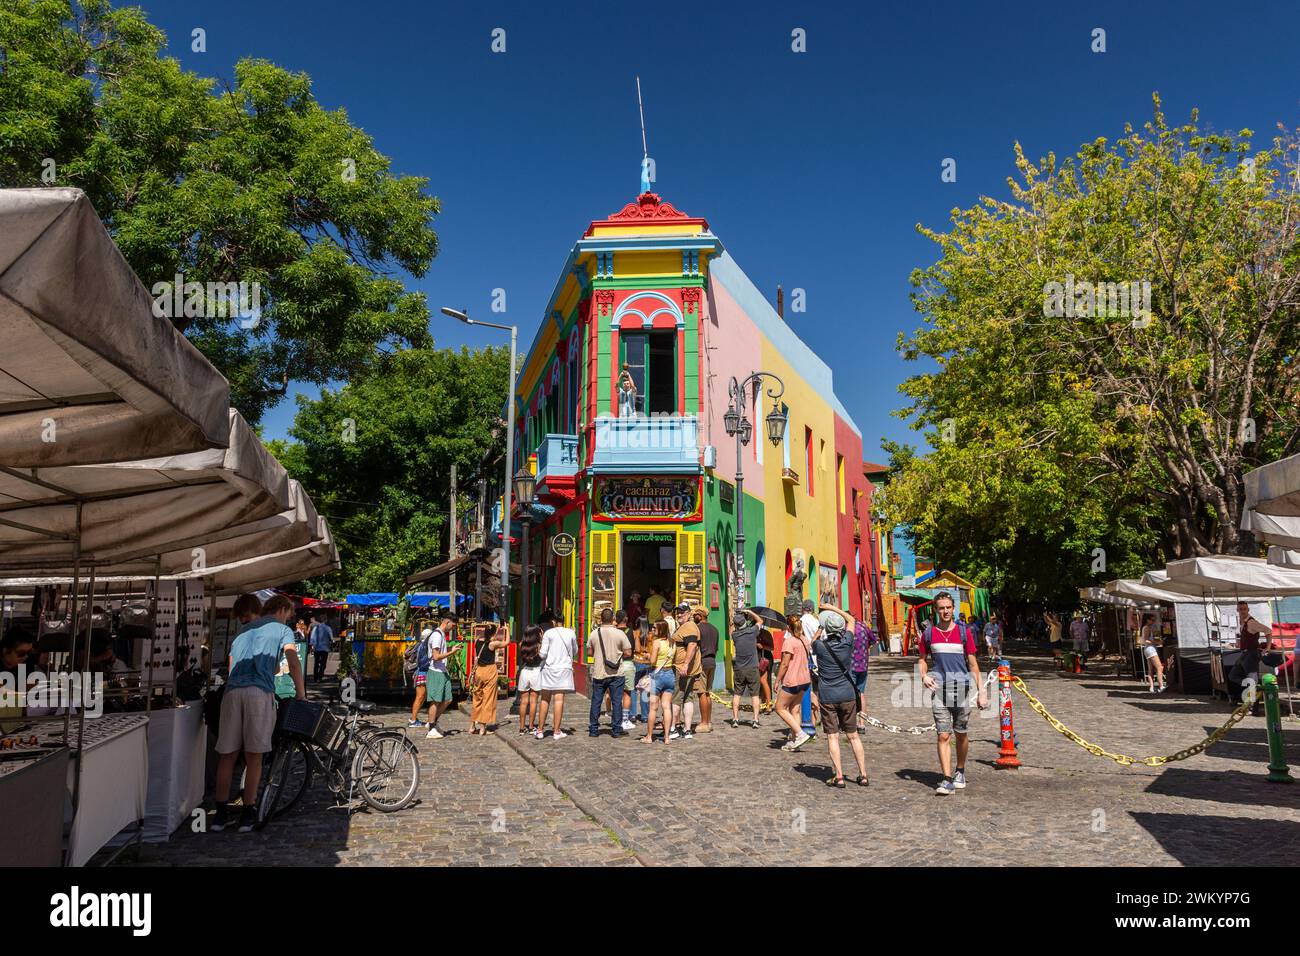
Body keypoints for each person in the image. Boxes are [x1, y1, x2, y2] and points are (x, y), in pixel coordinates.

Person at [212, 594, 304, 832]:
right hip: (258, 693)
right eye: (290, 614)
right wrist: (301, 694)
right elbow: (293, 662)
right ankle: (247, 813)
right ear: (283, 610)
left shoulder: (243, 630)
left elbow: (233, 665)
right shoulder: (282, 630)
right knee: (255, 757)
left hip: (232, 693)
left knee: (227, 756)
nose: (289, 619)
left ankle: (219, 815)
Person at [918, 592, 986, 796]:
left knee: (961, 734)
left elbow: (973, 664)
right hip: (939, 690)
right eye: (941, 608)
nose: (945, 611)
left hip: (962, 690)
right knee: (943, 734)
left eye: (948, 607)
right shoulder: (929, 634)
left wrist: (982, 692)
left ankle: (960, 771)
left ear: (953, 608)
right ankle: (947, 779)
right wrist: (923, 676)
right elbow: (922, 659)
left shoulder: (964, 633)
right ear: (936, 610)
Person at [811, 605, 869, 787]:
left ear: (827, 629)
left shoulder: (819, 646)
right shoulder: (847, 643)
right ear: (841, 629)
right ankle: (863, 774)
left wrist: (821, 625)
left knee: (832, 737)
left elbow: (813, 641)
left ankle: (840, 776)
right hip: (847, 694)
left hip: (828, 696)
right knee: (853, 736)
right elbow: (851, 620)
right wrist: (832, 608)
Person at [586, 608, 632, 737]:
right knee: (617, 702)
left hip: (599, 672)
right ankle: (616, 730)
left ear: (601, 619)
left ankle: (593, 729)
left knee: (596, 701)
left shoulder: (594, 633)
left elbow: (589, 652)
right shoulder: (620, 634)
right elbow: (628, 652)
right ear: (613, 619)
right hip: (617, 673)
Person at [774, 613, 814, 751]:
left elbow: (785, 664)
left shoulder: (789, 642)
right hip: (805, 680)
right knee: (794, 710)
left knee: (779, 707)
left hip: (793, 680)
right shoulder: (804, 640)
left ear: (788, 627)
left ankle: (800, 733)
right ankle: (794, 741)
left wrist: (777, 680)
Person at [537, 612, 578, 739]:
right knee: (559, 700)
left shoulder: (548, 633)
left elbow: (543, 655)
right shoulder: (570, 633)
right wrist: (574, 634)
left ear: (554, 622)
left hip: (549, 669)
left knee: (544, 699)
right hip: (563, 669)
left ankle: (539, 730)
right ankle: (556, 731)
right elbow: (575, 651)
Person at [640, 620, 676, 745]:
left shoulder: (657, 643)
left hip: (658, 675)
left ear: (660, 629)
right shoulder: (672, 642)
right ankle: (667, 737)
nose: (653, 629)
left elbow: (653, 660)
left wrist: (647, 656)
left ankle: (649, 737)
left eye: (655, 628)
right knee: (666, 707)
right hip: (670, 674)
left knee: (653, 708)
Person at [421, 616, 457, 738]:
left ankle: (433, 722)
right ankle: (431, 728)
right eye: (452, 625)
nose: (453, 628)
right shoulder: (436, 635)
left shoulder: (441, 634)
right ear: (447, 622)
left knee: (448, 699)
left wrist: (451, 649)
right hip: (436, 671)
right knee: (435, 700)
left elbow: (440, 653)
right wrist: (451, 653)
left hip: (443, 671)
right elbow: (436, 657)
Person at [1227, 602, 1272, 702]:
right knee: (1233, 675)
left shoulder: (1251, 622)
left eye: (1244, 609)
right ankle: (1255, 688)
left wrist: (1268, 647)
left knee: (1251, 678)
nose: (1242, 611)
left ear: (1248, 610)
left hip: (1252, 654)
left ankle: (1253, 704)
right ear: (1237, 610)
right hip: (1245, 653)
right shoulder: (1242, 622)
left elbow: (1268, 631)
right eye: (1240, 609)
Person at [669, 603, 702, 739]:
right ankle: (687, 730)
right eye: (677, 612)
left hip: (683, 669)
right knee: (688, 698)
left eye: (682, 612)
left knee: (677, 698)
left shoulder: (689, 626)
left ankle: (672, 729)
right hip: (686, 668)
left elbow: (692, 645)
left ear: (689, 613)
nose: (679, 615)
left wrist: (685, 664)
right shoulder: (685, 626)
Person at [727, 608, 764, 729]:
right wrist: (749, 612)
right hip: (752, 667)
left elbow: (731, 629)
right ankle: (755, 720)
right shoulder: (752, 631)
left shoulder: (735, 635)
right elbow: (760, 621)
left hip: (739, 668)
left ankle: (735, 719)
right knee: (755, 695)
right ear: (745, 622)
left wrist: (733, 619)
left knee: (737, 694)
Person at [469, 624, 509, 735]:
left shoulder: (477, 641)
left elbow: (477, 656)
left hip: (479, 671)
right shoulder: (492, 644)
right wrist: (507, 630)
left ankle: (472, 726)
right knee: (488, 699)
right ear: (494, 633)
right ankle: (482, 727)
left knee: (477, 698)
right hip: (489, 671)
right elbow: (506, 643)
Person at [693, 607, 719, 733]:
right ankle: (708, 721)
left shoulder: (697, 628)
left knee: (701, 692)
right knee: (707, 692)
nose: (694, 616)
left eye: (696, 614)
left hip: (702, 662)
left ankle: (703, 723)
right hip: (712, 661)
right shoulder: (715, 629)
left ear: (701, 615)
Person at [517, 624, 544, 735]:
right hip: (536, 672)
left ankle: (522, 728)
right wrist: (541, 638)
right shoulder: (539, 646)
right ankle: (532, 726)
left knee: (523, 702)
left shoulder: (521, 644)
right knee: (533, 702)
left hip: (525, 671)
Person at [616, 609, 639, 731]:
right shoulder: (631, 632)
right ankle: (625, 719)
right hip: (628, 664)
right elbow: (636, 648)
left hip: (615, 664)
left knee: (616, 693)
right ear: (626, 619)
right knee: (627, 692)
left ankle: (617, 718)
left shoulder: (613, 632)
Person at [849, 616, 872, 730]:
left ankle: (851, 723)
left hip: (851, 665)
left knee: (850, 695)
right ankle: (862, 724)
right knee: (861, 694)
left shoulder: (847, 629)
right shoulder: (864, 626)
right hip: (863, 665)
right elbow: (873, 640)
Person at [309, 613, 334, 682]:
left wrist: (312, 646)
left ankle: (315, 677)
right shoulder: (328, 628)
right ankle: (320, 677)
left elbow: (312, 638)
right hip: (325, 648)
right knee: (323, 663)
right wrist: (331, 641)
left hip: (317, 648)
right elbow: (331, 638)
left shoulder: (315, 628)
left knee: (316, 663)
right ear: (325, 620)